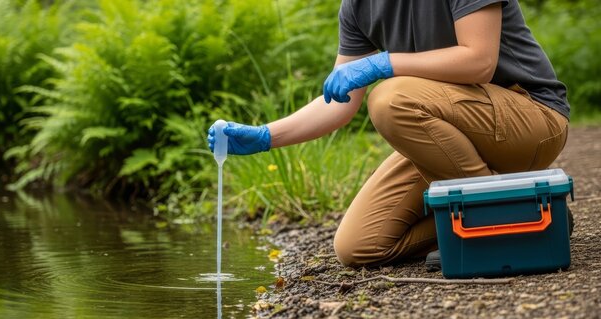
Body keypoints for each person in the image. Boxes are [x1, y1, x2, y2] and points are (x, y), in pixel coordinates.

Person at [207, 0, 569, 269]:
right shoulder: (357, 6)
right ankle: (525, 214)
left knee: (389, 98)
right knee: (359, 246)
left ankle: (498, 221)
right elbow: (339, 102)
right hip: (453, 128)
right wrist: (266, 136)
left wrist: (384, 63)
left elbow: (479, 61)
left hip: (531, 118)